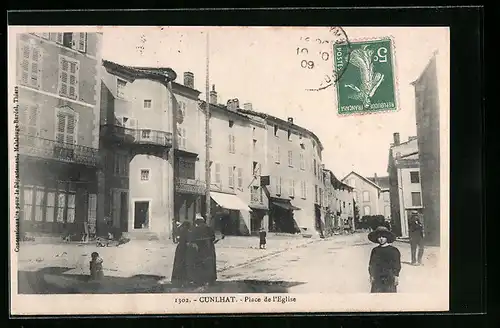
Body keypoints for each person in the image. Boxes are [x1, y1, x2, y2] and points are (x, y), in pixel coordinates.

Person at [368, 226, 401, 293]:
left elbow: (396, 264)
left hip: (389, 277)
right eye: (379, 237)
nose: (381, 239)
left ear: (387, 237)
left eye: (383, 237)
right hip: (377, 277)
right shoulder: (375, 250)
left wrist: (396, 276)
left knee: (390, 296)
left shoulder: (394, 250)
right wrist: (371, 275)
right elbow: (372, 264)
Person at [186, 215, 217, 286]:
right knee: (209, 263)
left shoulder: (195, 229)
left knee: (199, 264)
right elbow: (213, 238)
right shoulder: (209, 228)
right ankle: (210, 279)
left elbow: (191, 239)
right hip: (209, 248)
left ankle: (200, 280)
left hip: (199, 249)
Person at [171, 221, 191, 287]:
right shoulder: (187, 232)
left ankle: (176, 279)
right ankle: (184, 279)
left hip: (180, 249)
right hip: (185, 249)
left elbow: (178, 239)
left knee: (178, 263)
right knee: (184, 264)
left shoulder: (181, 231)